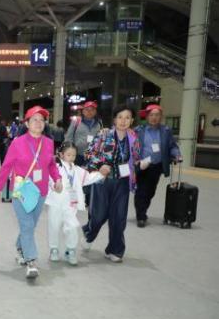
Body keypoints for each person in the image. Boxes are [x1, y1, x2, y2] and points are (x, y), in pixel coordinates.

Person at [0, 106, 63, 279]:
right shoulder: (18, 143)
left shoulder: (48, 142)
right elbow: (6, 166)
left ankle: (20, 246)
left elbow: (51, 165)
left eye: (41, 120)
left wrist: (58, 179)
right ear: (27, 123)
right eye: (34, 120)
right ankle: (31, 261)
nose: (38, 123)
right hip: (21, 191)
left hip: (41, 191)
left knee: (30, 225)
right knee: (27, 225)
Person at [82, 105, 141, 263]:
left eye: (127, 117)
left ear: (132, 120)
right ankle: (88, 233)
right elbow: (88, 154)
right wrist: (100, 165)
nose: (123, 121)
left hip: (122, 182)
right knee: (98, 215)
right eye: (120, 117)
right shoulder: (104, 134)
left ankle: (115, 250)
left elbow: (135, 158)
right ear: (114, 119)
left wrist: (139, 164)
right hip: (103, 181)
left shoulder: (134, 138)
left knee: (119, 218)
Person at [133, 104, 183, 227]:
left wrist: (177, 155)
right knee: (141, 191)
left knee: (151, 191)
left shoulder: (166, 131)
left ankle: (142, 210)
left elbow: (172, 146)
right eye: (151, 115)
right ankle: (141, 216)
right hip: (142, 165)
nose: (154, 117)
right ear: (147, 116)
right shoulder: (139, 130)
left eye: (157, 115)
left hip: (157, 166)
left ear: (161, 117)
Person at [45, 142, 90, 266]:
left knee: (73, 226)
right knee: (54, 225)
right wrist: (54, 185)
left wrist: (101, 175)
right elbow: (49, 178)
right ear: (61, 154)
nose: (71, 157)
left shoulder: (76, 170)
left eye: (74, 155)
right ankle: (54, 249)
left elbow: (88, 177)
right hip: (55, 202)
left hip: (70, 204)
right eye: (68, 155)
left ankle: (71, 250)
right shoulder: (56, 167)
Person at [65, 101, 102, 166]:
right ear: (83, 111)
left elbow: (100, 139)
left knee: (90, 172)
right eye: (87, 109)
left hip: (92, 156)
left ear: (95, 112)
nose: (89, 112)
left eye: (92, 110)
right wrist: (68, 152)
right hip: (77, 155)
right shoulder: (76, 121)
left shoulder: (99, 123)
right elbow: (68, 137)